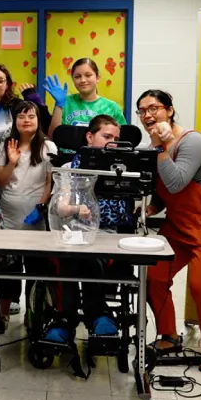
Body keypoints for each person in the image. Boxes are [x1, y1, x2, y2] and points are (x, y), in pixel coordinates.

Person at [136, 89, 201, 373]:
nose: (147, 115)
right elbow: (164, 190)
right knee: (153, 275)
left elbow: (177, 181)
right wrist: (152, 206)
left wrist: (159, 147)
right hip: (180, 227)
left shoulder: (193, 141)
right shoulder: (153, 147)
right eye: (142, 110)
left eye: (153, 108)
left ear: (169, 110)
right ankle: (169, 335)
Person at [57, 115, 138, 336]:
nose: (112, 143)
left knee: (89, 254)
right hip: (75, 231)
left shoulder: (125, 169)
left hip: (111, 235)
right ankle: (84, 314)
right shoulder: (70, 167)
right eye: (106, 136)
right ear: (90, 137)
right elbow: (62, 208)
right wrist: (77, 209)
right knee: (73, 255)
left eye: (116, 138)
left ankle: (83, 315)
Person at [0, 100, 57, 331]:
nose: (26, 120)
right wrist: (12, 161)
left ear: (38, 120)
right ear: (14, 121)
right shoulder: (6, 145)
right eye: (21, 116)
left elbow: (51, 182)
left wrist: (40, 206)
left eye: (31, 116)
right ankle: (4, 314)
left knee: (36, 268)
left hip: (36, 217)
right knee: (8, 268)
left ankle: (33, 313)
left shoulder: (49, 147)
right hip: (9, 215)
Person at [44, 58, 127, 136]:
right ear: (73, 79)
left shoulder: (112, 107)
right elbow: (52, 136)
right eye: (77, 76)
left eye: (88, 75)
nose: (83, 80)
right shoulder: (65, 102)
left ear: (98, 78)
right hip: (67, 152)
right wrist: (59, 105)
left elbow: (122, 139)